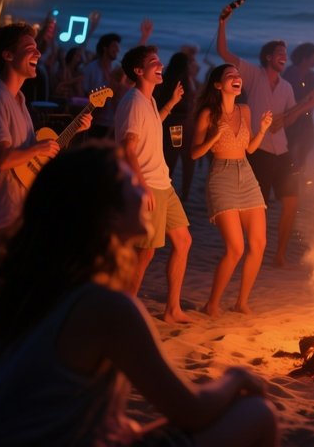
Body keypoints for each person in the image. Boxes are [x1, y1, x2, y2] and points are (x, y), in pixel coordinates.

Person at [0, 143, 279, 447]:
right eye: (133, 183)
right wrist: (236, 377)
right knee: (256, 412)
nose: (144, 193)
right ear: (106, 213)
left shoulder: (41, 288)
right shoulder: (105, 305)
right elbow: (191, 410)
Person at [217, 3, 314, 267]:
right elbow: (223, 52)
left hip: (282, 151)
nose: (283, 57)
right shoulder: (252, 75)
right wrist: (223, 23)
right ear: (268, 58)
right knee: (254, 207)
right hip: (259, 150)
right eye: (279, 53)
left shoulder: (286, 87)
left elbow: (286, 120)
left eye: (285, 53)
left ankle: (280, 253)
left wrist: (307, 105)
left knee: (291, 202)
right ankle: (242, 249)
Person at [0, 23, 92, 239]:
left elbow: (29, 160)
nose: (38, 52)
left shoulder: (19, 99)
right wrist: (39, 147)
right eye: (29, 47)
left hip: (18, 217)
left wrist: (72, 131)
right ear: (7, 55)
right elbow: (1, 159)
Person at [115, 45, 192, 323]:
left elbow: (152, 126)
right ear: (138, 71)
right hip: (149, 183)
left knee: (183, 240)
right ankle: (123, 314)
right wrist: (142, 186)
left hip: (163, 182)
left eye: (160, 61)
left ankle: (172, 310)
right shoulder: (134, 101)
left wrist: (170, 104)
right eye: (153, 62)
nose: (160, 66)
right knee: (144, 253)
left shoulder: (147, 100)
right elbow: (128, 147)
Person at [191, 64, 272, 317]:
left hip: (246, 175)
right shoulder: (208, 114)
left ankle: (241, 302)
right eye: (230, 76)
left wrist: (263, 130)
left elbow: (249, 149)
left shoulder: (245, 110)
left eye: (238, 75)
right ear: (218, 85)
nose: (237, 78)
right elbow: (194, 153)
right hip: (222, 176)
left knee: (259, 243)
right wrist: (214, 138)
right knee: (235, 248)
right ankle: (211, 304)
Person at [154, 51, 197, 200]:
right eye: (190, 62)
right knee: (184, 159)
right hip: (179, 126)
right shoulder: (182, 80)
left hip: (177, 125)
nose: (193, 64)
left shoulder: (167, 79)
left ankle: (176, 191)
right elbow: (184, 104)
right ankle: (184, 194)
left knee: (174, 158)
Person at [282, 42, 314, 176]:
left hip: (306, 115)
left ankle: (298, 173)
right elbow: (286, 97)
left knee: (307, 144)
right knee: (290, 146)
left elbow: (311, 96)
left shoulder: (311, 75)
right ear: (305, 58)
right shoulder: (291, 72)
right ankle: (286, 175)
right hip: (292, 114)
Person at [83, 32, 123, 137]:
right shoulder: (91, 68)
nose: (118, 50)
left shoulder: (118, 68)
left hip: (114, 123)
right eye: (114, 46)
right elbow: (84, 93)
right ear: (105, 48)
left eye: (118, 47)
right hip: (95, 122)